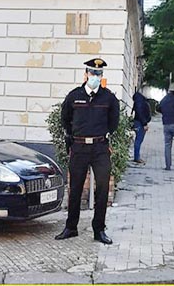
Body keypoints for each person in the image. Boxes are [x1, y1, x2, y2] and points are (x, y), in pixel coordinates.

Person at [55, 58, 120, 244]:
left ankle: (99, 229)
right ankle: (71, 227)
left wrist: (102, 134)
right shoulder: (74, 96)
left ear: (102, 76)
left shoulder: (109, 98)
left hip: (100, 147)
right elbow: (65, 119)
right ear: (85, 74)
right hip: (79, 147)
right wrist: (72, 137)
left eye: (99, 74)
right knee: (75, 188)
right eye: (92, 73)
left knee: (102, 189)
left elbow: (113, 122)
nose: (95, 76)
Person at [132, 90, 151, 164]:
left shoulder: (139, 101)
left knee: (138, 140)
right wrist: (144, 123)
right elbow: (140, 113)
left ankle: (137, 157)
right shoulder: (140, 101)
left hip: (139, 122)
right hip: (140, 123)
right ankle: (137, 157)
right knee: (139, 140)